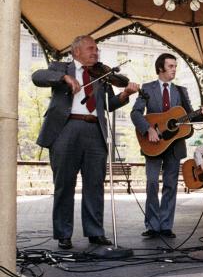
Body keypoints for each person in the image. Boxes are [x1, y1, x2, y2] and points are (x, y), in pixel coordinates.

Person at [32, 35, 140, 249]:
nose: (96, 52)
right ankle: (63, 233)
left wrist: (125, 93)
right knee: (64, 184)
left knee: (94, 184)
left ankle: (95, 232)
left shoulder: (101, 75)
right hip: (66, 129)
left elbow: (108, 104)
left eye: (97, 49)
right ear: (77, 51)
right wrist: (65, 79)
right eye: (91, 48)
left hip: (95, 130)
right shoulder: (61, 68)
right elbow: (37, 76)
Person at [131, 53, 203, 239]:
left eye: (175, 66)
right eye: (171, 66)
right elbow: (135, 113)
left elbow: (191, 117)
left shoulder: (181, 91)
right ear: (161, 68)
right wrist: (148, 129)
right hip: (153, 143)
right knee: (151, 183)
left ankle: (166, 226)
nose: (174, 69)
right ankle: (152, 225)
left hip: (174, 146)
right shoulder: (147, 88)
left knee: (170, 185)